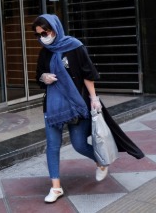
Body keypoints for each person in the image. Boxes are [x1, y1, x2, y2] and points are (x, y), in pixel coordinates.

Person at [32, 14, 107, 203]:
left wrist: (93, 98)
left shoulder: (75, 46)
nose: (43, 37)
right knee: (52, 146)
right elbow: (38, 75)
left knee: (79, 144)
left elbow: (88, 73)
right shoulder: (45, 52)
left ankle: (101, 161)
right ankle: (56, 187)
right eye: (39, 34)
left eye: (46, 32)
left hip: (76, 104)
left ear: (55, 28)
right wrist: (44, 78)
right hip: (53, 107)